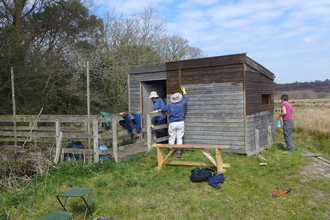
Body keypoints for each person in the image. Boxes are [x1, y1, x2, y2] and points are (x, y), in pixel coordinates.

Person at [158, 86, 188, 158]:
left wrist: (159, 110)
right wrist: (184, 91)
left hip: (172, 123)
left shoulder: (170, 105)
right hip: (180, 122)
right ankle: (179, 152)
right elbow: (186, 99)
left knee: (172, 137)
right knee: (179, 138)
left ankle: (170, 152)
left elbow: (162, 109)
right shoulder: (181, 104)